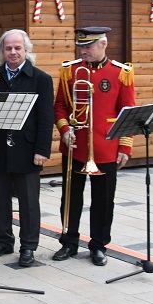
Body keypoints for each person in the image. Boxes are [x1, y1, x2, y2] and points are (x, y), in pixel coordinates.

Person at [53, 27, 135, 266]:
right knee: (70, 199)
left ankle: (99, 245)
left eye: (89, 46)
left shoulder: (121, 73)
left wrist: (125, 147)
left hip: (106, 146)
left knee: (104, 199)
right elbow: (59, 107)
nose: (84, 50)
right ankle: (69, 242)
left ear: (104, 45)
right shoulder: (70, 71)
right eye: (82, 46)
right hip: (75, 146)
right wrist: (65, 130)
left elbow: (127, 112)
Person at [0, 30, 54, 267]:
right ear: (2, 51)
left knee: (28, 202)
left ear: (26, 50)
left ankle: (29, 247)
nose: (13, 52)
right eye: (8, 48)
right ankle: (3, 241)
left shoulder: (41, 79)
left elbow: (46, 118)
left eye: (17, 48)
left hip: (29, 150)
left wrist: (42, 150)